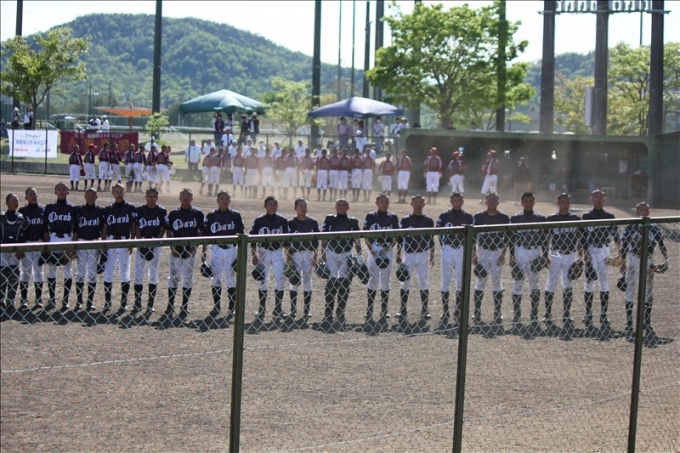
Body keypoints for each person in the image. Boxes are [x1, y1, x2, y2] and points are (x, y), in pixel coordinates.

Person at [620, 202, 669, 344]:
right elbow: (624, 244)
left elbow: (661, 244)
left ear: (649, 212)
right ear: (636, 212)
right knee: (630, 289)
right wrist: (622, 261)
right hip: (633, 259)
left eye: (645, 210)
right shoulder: (631, 226)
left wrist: (666, 259)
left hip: (648, 260)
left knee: (648, 291)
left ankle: (646, 321)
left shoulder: (654, 227)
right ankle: (629, 322)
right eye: (641, 210)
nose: (643, 212)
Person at [581, 189, 622, 335]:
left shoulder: (609, 216)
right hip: (591, 250)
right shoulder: (586, 216)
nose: (598, 199)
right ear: (591, 199)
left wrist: (621, 254)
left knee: (604, 282)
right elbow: (583, 237)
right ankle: (588, 314)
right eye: (596, 197)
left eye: (601, 197)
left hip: (605, 250)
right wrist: (585, 254)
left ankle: (604, 314)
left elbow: (616, 236)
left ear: (604, 199)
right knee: (589, 281)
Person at [508, 192, 549, 334]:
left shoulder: (540, 218)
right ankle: (517, 315)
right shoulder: (515, 218)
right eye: (526, 201)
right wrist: (511, 256)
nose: (528, 203)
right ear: (521, 202)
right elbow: (511, 239)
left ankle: (534, 315)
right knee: (517, 282)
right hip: (520, 250)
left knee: (534, 284)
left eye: (531, 201)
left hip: (534, 251)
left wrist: (545, 255)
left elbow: (544, 239)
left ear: (534, 202)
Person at [543, 193, 582, 336]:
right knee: (551, 283)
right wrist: (545, 255)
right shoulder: (551, 219)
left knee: (568, 284)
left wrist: (580, 257)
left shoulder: (575, 219)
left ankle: (566, 313)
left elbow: (580, 238)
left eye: (567, 202)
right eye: (563, 202)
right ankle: (548, 313)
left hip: (570, 255)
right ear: (557, 203)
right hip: (555, 254)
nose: (565, 205)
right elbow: (545, 238)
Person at [320, 198, 362, 329]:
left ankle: (340, 312)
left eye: (344, 205)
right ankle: (328, 312)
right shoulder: (330, 219)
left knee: (344, 283)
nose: (341, 207)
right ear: (335, 207)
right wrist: (323, 252)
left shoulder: (352, 221)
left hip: (346, 253)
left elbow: (357, 239)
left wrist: (359, 256)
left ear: (348, 207)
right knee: (332, 282)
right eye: (339, 205)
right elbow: (324, 236)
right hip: (332, 253)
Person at [202, 191, 244, 319]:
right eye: (221, 199)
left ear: (230, 200)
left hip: (231, 249)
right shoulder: (211, 216)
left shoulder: (235, 215)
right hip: (216, 249)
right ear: (217, 200)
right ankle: (217, 306)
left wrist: (240, 254)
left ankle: (232, 307)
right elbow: (205, 235)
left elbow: (241, 234)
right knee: (216, 278)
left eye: (226, 198)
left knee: (231, 278)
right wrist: (204, 251)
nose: (224, 201)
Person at [472, 192, 510, 330]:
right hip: (483, 251)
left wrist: (503, 255)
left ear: (498, 202)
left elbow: (508, 237)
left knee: (497, 283)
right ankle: (477, 312)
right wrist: (474, 255)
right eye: (490, 200)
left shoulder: (504, 217)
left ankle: (497, 312)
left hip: (497, 252)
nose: (492, 202)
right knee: (480, 281)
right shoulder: (478, 217)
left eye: (495, 200)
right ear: (486, 201)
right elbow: (473, 236)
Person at [395, 195, 435, 324]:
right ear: (411, 204)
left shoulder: (428, 220)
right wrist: (398, 254)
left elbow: (431, 239)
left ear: (424, 204)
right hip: (409, 254)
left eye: (420, 202)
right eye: (416, 202)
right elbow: (400, 238)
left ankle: (425, 309)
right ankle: (403, 309)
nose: (418, 204)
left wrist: (432, 255)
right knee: (405, 281)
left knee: (423, 282)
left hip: (423, 253)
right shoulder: (406, 220)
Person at [165, 189, 204, 317]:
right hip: (176, 249)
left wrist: (194, 248)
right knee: (173, 277)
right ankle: (170, 305)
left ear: (192, 198)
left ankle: (184, 306)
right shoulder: (174, 213)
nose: (185, 198)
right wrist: (172, 248)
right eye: (183, 196)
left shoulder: (197, 214)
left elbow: (201, 231)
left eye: (188, 196)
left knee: (188, 278)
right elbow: (168, 231)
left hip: (190, 249)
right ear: (179, 198)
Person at [437, 192, 474, 328]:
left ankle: (458, 310)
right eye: (454, 200)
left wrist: (470, 250)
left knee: (460, 281)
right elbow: (438, 232)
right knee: (445, 281)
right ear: (451, 201)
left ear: (462, 201)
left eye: (459, 200)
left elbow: (473, 236)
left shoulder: (468, 216)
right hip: (448, 249)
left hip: (461, 249)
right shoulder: (444, 216)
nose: (457, 203)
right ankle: (445, 310)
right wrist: (443, 246)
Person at [250, 196, 290, 321]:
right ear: (265, 206)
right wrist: (254, 255)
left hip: (278, 252)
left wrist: (288, 254)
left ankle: (278, 308)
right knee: (262, 280)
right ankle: (262, 308)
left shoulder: (282, 220)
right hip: (264, 252)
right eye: (270, 204)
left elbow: (287, 240)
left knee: (281, 278)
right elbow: (252, 239)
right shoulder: (259, 220)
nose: (273, 206)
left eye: (275, 204)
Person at [363, 194, 400, 325]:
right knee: (372, 279)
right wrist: (371, 250)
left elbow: (397, 235)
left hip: (387, 249)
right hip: (373, 248)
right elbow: (365, 235)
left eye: (386, 202)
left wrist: (389, 248)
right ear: (376, 203)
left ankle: (384, 310)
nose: (384, 204)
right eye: (382, 202)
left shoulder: (393, 217)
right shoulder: (370, 216)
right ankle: (369, 309)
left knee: (385, 279)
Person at [42, 182, 80, 311]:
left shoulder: (73, 208)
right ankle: (52, 299)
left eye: (64, 189)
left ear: (68, 192)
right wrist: (46, 245)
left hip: (67, 238)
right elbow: (44, 228)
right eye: (59, 189)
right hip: (53, 238)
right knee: (51, 268)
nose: (61, 191)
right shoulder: (49, 207)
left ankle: (65, 300)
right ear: (55, 192)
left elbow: (76, 228)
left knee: (67, 270)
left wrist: (72, 247)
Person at [100, 184, 136, 313]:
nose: (119, 194)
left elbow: (133, 226)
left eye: (121, 191)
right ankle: (107, 302)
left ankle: (123, 303)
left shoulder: (130, 208)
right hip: (111, 241)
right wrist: (104, 244)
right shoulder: (108, 209)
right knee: (108, 272)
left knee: (124, 273)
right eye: (116, 191)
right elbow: (104, 227)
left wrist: (131, 241)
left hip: (124, 241)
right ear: (112, 193)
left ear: (124, 192)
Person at [131, 187, 167, 315]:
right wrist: (140, 244)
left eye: (154, 197)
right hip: (142, 243)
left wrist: (155, 243)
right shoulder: (139, 210)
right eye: (149, 196)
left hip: (155, 245)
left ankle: (150, 304)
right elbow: (136, 227)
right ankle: (137, 302)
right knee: (138, 274)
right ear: (145, 197)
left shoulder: (162, 211)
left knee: (153, 274)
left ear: (157, 198)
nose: (151, 199)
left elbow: (163, 228)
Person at [286, 198, 320, 321]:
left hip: (309, 253)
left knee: (307, 280)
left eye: (305, 206)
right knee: (294, 280)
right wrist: (288, 256)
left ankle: (307, 309)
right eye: (300, 206)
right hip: (295, 254)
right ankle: (293, 309)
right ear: (295, 208)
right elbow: (286, 240)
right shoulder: (291, 223)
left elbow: (316, 241)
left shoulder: (313, 222)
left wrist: (315, 256)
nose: (303, 208)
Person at [73, 188, 105, 312]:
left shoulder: (100, 211)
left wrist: (103, 245)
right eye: (88, 195)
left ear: (97, 196)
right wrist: (74, 246)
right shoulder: (78, 210)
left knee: (92, 274)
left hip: (94, 242)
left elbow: (103, 229)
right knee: (80, 274)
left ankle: (89, 301)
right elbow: (75, 229)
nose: (90, 197)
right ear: (84, 196)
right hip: (81, 242)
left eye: (93, 195)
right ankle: (79, 301)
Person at [0, 193, 30, 313]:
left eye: (16, 200)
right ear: (7, 202)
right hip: (3, 251)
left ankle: (11, 300)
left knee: (13, 276)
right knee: (2, 275)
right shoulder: (1, 217)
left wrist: (21, 248)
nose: (15, 203)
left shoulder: (21, 218)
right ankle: (1, 300)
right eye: (13, 200)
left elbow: (24, 235)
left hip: (14, 252)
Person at [18, 188, 45, 310]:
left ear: (37, 195)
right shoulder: (22, 211)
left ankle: (38, 299)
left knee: (38, 272)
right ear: (26, 197)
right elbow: (20, 231)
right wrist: (21, 246)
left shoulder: (43, 210)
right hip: (27, 244)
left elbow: (45, 229)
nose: (33, 196)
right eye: (30, 194)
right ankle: (23, 299)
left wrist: (45, 245)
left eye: (34, 194)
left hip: (39, 243)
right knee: (26, 272)